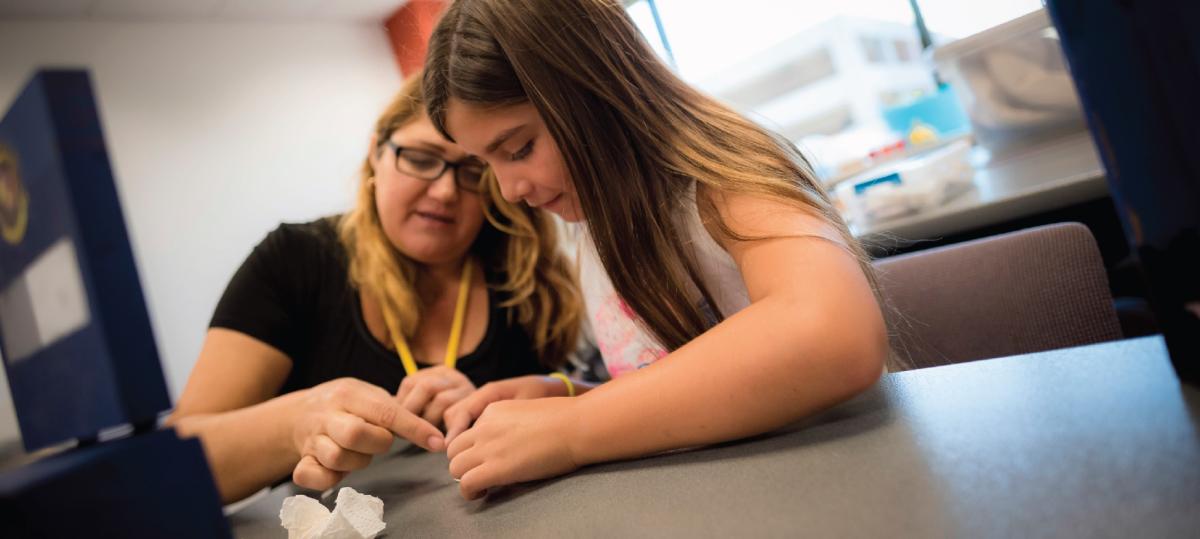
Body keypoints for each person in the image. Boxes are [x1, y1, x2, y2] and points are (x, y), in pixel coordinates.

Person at [421, 0, 896, 500]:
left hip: (841, 488)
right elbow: (690, 386)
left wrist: (574, 426)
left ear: (593, 89)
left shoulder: (722, 181)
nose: (510, 189)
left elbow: (830, 335)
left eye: (518, 150)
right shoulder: (595, 219)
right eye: (486, 165)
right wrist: (569, 399)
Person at [166, 72, 582, 503]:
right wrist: (296, 423)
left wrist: (484, 409)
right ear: (375, 157)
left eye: (472, 170)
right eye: (421, 159)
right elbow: (171, 467)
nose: (443, 191)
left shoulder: (524, 279)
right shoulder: (297, 260)